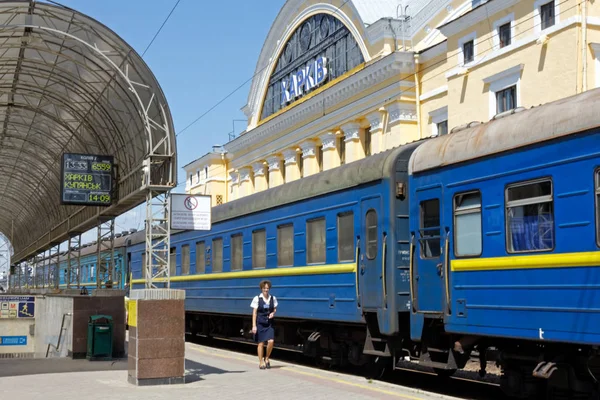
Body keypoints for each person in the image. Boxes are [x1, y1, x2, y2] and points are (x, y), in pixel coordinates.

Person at [250, 280, 277, 369]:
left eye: (267, 288)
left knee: (271, 341)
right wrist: (254, 325)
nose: (266, 290)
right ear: (261, 288)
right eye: (264, 288)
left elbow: (274, 309)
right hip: (260, 323)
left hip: (269, 323)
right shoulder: (257, 298)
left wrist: (273, 313)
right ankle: (261, 362)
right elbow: (254, 313)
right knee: (260, 343)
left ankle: (267, 358)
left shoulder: (273, 298)